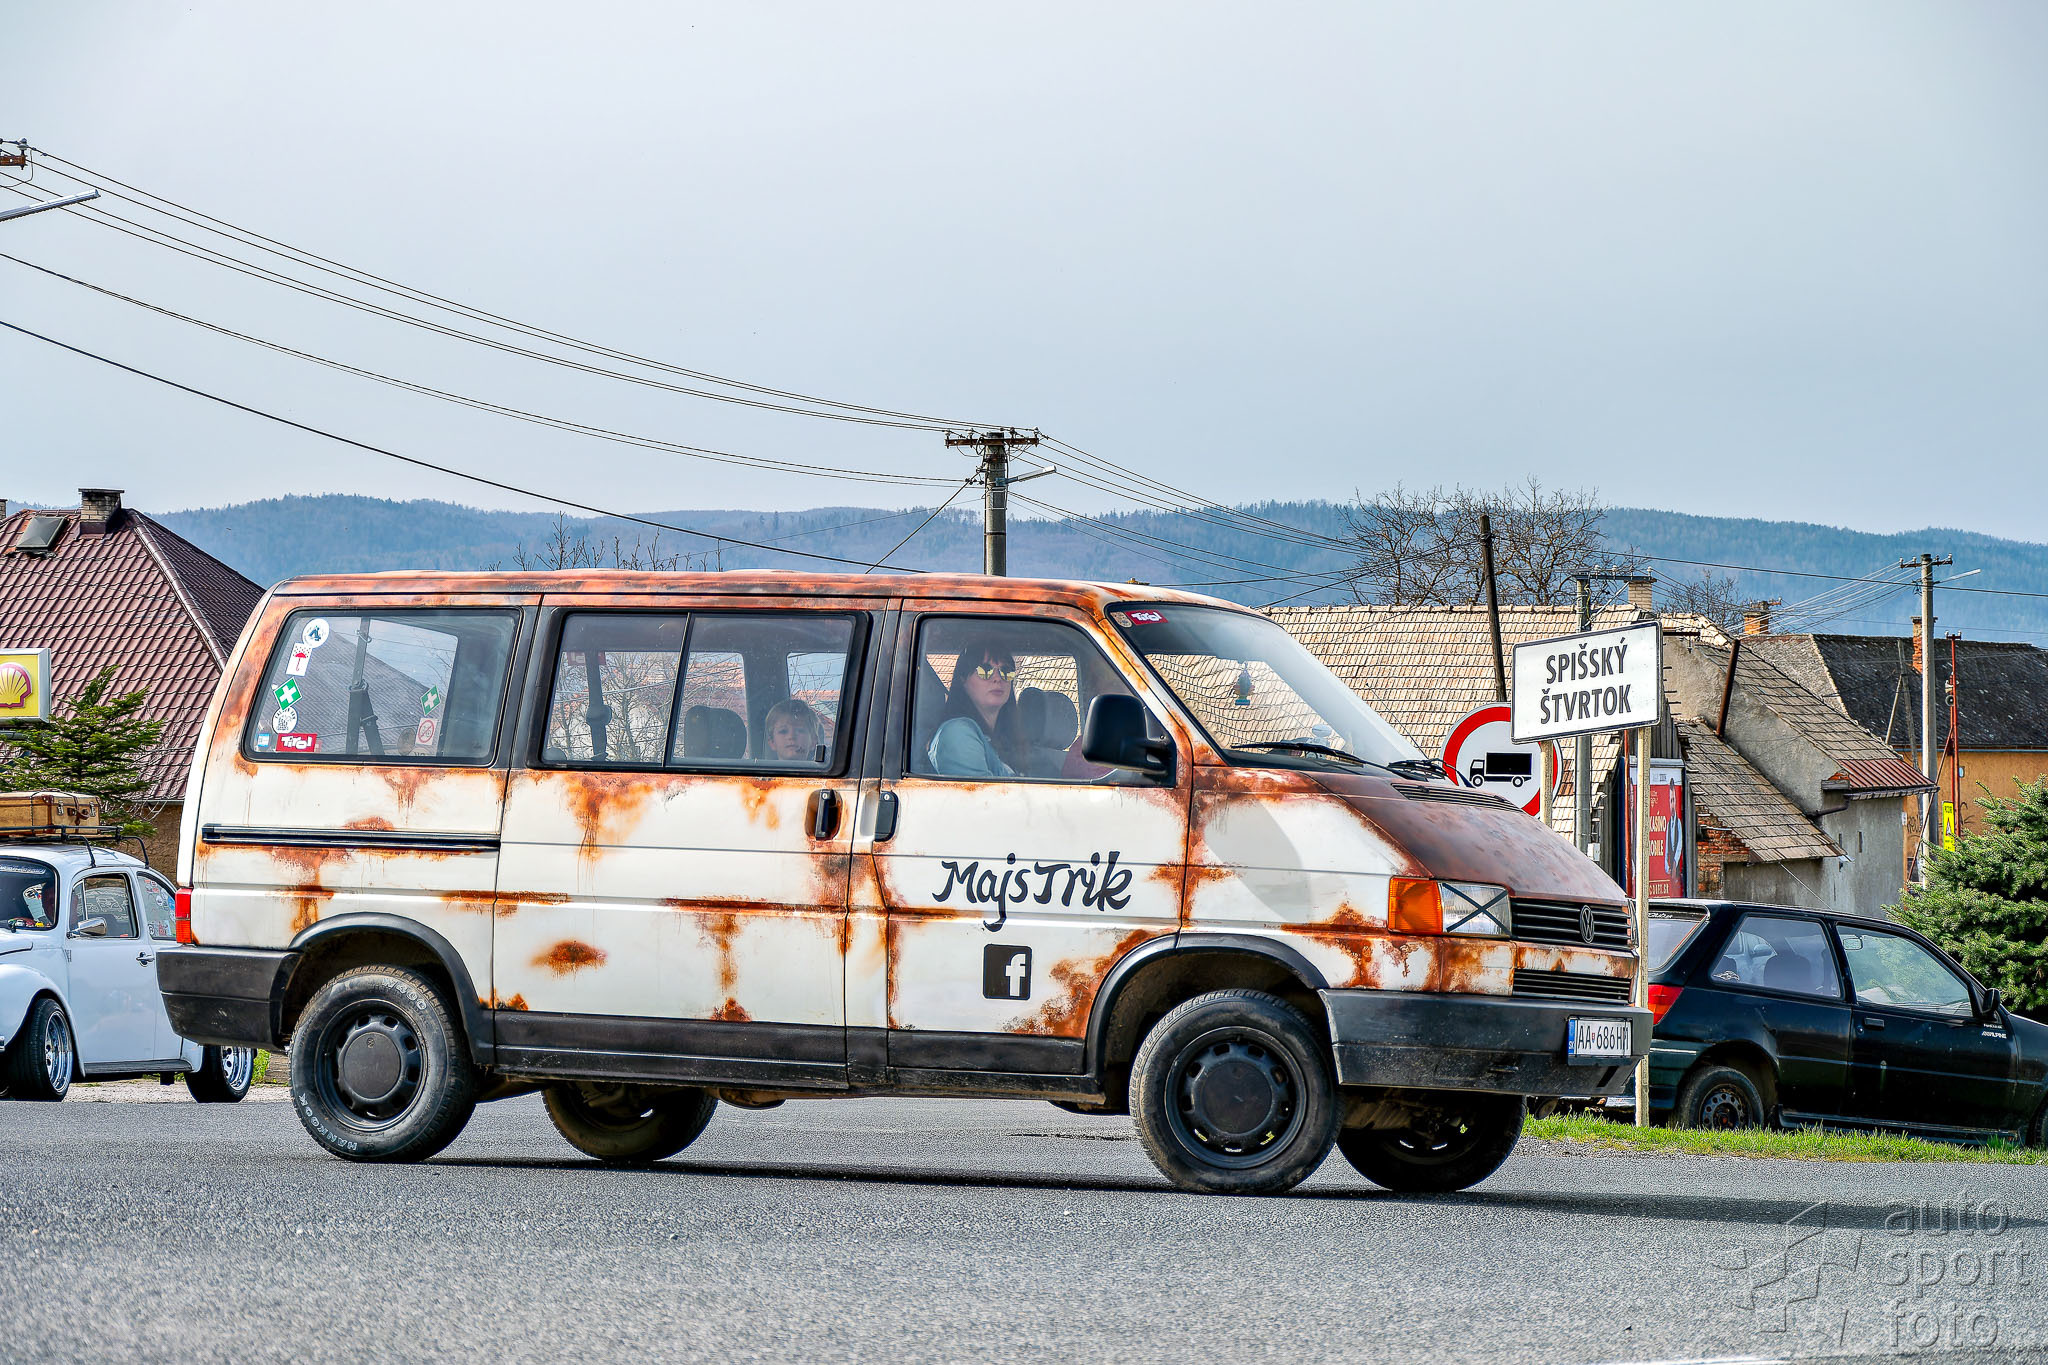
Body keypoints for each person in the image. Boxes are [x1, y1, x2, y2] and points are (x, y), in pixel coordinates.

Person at [928, 639, 1022, 777]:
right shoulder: (957, 733)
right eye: (985, 670)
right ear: (963, 679)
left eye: (1006, 671)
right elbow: (980, 791)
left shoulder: (1009, 742)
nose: (998, 678)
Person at [762, 697, 823, 764]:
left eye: (800, 730)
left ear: (813, 741)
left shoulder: (825, 770)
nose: (791, 736)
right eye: (783, 731)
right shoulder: (759, 770)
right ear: (772, 742)